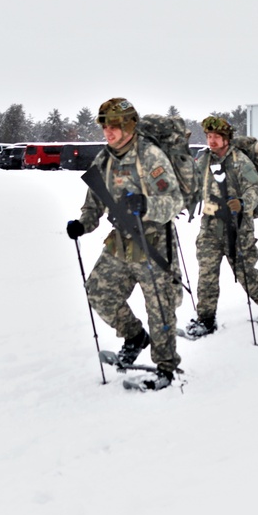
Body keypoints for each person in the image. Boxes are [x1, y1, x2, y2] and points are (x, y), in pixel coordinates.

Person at [66, 97, 185, 389]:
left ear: (129, 125)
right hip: (120, 243)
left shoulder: (151, 157)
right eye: (105, 126)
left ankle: (166, 368)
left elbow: (174, 201)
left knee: (160, 307)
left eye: (115, 126)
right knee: (98, 291)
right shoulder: (104, 160)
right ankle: (134, 336)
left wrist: (146, 204)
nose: (109, 131)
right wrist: (83, 223)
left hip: (153, 243)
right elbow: (93, 203)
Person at [184, 116, 258, 338]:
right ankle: (206, 319)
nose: (211, 140)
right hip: (209, 226)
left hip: (237, 225)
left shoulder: (239, 160)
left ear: (226, 138)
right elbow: (193, 183)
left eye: (216, 136)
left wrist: (244, 203)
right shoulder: (204, 159)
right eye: (208, 136)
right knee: (206, 272)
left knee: (245, 272)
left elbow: (254, 187)